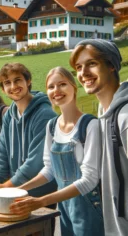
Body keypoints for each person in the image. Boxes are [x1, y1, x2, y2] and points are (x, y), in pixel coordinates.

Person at [10, 67, 104, 236]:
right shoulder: (52, 126)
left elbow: (89, 180)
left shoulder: (90, 126)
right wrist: (19, 190)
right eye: (51, 87)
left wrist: (41, 201)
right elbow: (49, 170)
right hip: (65, 209)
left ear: (74, 87)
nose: (56, 91)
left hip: (89, 210)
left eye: (62, 84)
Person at [70, 39, 128, 236]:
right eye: (79, 67)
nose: (83, 73)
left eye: (92, 64)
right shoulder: (104, 112)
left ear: (111, 65)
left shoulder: (124, 117)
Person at [0, 63, 57, 199]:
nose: (13, 87)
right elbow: (2, 153)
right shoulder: (9, 114)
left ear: (28, 81)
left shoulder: (44, 114)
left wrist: (6, 186)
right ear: (2, 89)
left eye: (18, 80)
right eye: (7, 83)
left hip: (41, 194)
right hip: (16, 191)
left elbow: (35, 162)